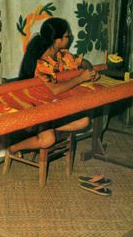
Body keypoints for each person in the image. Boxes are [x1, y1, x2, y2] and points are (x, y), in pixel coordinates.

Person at [7, 17, 100, 157]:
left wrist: (91, 71)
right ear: (57, 40)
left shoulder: (62, 55)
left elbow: (82, 62)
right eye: (67, 36)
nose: (70, 38)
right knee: (48, 139)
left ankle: (50, 126)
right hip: (36, 108)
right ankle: (13, 148)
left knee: (84, 121)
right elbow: (55, 89)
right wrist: (81, 78)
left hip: (54, 106)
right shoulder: (42, 63)